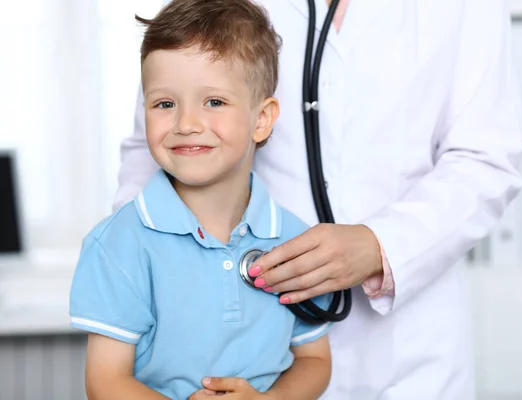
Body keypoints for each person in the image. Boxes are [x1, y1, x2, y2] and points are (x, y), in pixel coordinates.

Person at [116, 0, 522, 398]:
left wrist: (380, 245)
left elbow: (484, 159)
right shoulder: (122, 251)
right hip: (245, 342)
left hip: (410, 353)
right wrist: (132, 266)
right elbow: (158, 137)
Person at [69, 1, 334, 399]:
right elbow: (105, 382)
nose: (186, 124)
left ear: (261, 119)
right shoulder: (118, 247)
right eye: (165, 104)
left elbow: (315, 361)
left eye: (213, 102)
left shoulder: (294, 243)